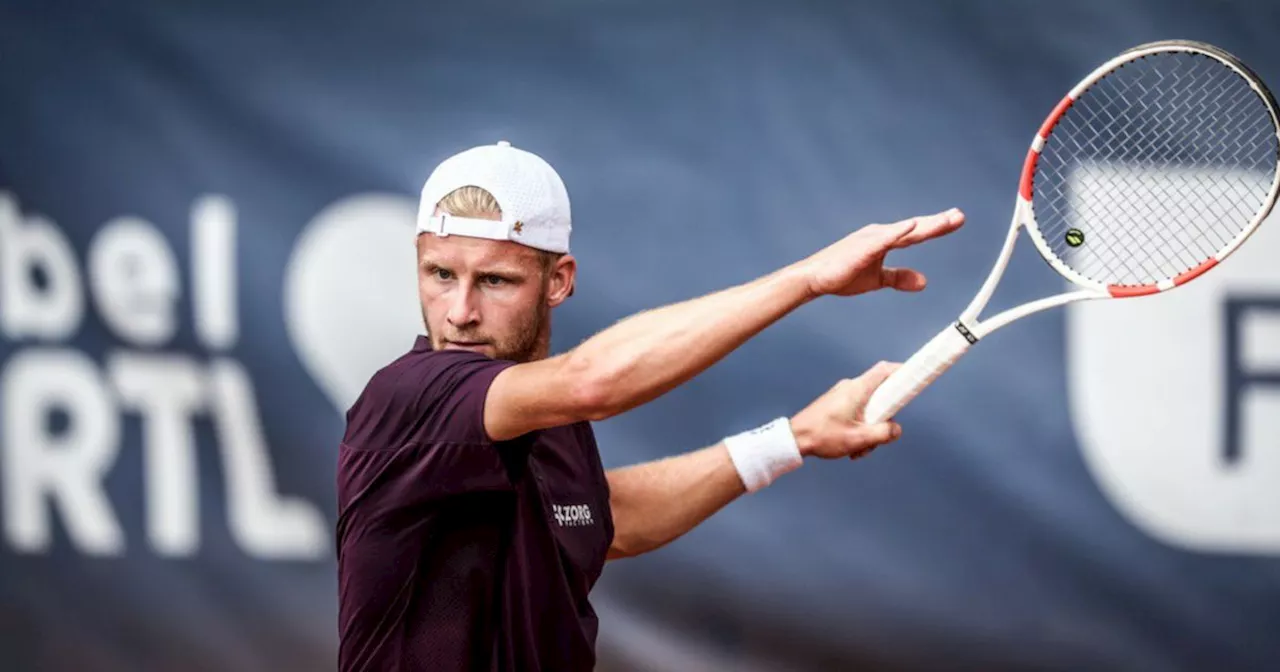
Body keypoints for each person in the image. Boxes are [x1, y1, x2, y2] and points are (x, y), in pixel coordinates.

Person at [335, 140, 964, 671]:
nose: (460, 311)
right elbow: (593, 382)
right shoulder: (412, 395)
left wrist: (790, 438)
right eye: (440, 274)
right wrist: (808, 278)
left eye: (495, 280)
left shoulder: (548, 416)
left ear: (558, 282)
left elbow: (610, 517)